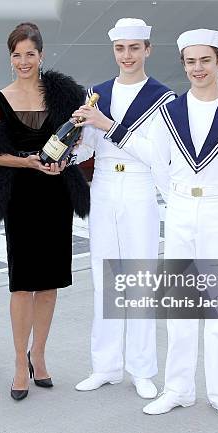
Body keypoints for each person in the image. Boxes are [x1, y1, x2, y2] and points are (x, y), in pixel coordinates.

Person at [110, 28, 218, 424]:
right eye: (191, 61)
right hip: (179, 209)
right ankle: (178, 389)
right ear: (184, 64)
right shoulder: (170, 112)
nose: (198, 68)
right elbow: (159, 162)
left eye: (205, 60)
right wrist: (175, 196)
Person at [0, 22, 90, 400]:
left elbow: (78, 138)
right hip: (20, 197)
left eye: (30, 54)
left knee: (50, 284)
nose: (23, 61)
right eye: (17, 55)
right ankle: (20, 363)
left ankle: (40, 354)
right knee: (22, 285)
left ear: (42, 55)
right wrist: (30, 163)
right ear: (10, 58)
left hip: (56, 195)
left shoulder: (65, 94)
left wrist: (63, 159)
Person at [71, 18, 175, 399]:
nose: (127, 56)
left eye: (134, 48)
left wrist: (107, 124)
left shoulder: (164, 99)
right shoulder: (96, 93)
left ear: (147, 49)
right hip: (103, 186)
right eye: (120, 49)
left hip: (138, 186)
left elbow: (156, 156)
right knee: (105, 278)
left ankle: (142, 369)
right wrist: (65, 154)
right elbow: (88, 147)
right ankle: (106, 366)